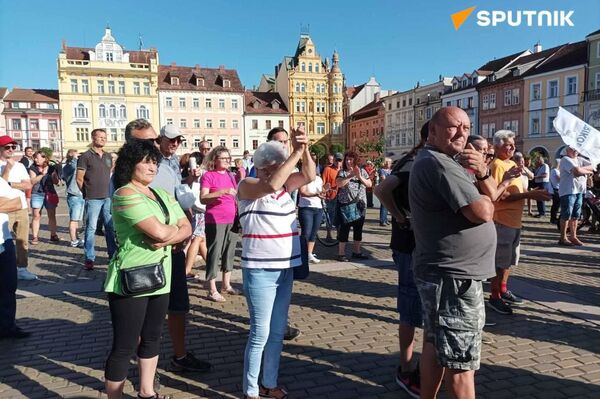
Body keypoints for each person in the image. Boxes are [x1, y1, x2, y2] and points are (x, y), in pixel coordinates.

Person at [409, 107, 496, 399]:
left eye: (467, 128)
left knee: (435, 345)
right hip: (453, 277)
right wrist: (483, 186)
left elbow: (491, 195)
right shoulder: (440, 164)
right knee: (461, 363)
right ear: (432, 131)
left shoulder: (444, 161)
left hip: (446, 273)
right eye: (453, 127)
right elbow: (483, 211)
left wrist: (483, 172)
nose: (462, 133)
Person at [104, 139, 191, 399]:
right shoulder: (124, 194)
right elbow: (159, 230)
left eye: (154, 161)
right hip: (131, 277)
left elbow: (186, 225)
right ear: (130, 165)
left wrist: (171, 235)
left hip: (160, 275)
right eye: (145, 161)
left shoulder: (161, 194)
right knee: (125, 346)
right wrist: (173, 233)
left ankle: (146, 392)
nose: (151, 166)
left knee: (153, 338)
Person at [237, 128, 315, 399]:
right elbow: (269, 185)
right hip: (259, 270)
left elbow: (309, 176)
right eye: (273, 168)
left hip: (285, 268)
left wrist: (303, 149)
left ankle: (269, 383)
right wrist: (293, 152)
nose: (277, 174)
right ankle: (250, 391)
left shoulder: (284, 189)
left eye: (279, 169)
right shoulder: (247, 185)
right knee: (260, 333)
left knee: (277, 331)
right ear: (262, 167)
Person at [144, 122, 212, 373]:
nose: (174, 144)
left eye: (178, 140)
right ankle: (145, 367)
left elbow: (174, 195)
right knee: (151, 309)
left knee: (179, 305)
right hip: (157, 245)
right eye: (170, 139)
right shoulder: (150, 166)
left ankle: (179, 356)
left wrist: (186, 182)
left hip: (174, 245)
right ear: (158, 140)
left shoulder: (172, 164)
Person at [374, 122, 430, 398]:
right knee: (410, 307)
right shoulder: (413, 162)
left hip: (418, 244)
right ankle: (406, 369)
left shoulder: (416, 159)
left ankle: (419, 366)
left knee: (420, 306)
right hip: (409, 244)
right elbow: (382, 189)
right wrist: (398, 216)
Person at [487, 130, 551, 315]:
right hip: (502, 220)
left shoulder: (512, 164)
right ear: (497, 146)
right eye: (508, 144)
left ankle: (503, 290)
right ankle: (494, 296)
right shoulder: (497, 165)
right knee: (499, 262)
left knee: (508, 261)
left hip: (514, 221)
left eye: (513, 144)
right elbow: (500, 195)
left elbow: (517, 189)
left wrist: (530, 191)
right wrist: (531, 194)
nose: (513, 147)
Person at [200, 145, 240, 302]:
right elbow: (203, 198)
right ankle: (212, 288)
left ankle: (226, 284)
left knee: (229, 252)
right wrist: (222, 192)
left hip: (232, 218)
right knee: (214, 253)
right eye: (223, 158)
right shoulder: (208, 176)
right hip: (215, 219)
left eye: (228, 158)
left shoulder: (231, 175)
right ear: (215, 159)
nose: (226, 161)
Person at [76, 128, 116, 270]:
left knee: (110, 228)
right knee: (91, 228)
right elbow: (79, 178)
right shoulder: (85, 156)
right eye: (100, 137)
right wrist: (86, 193)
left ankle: (113, 256)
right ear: (93, 138)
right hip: (92, 197)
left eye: (105, 137)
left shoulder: (107, 156)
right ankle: (89, 258)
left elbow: (109, 174)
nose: (103, 139)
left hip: (107, 197)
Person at [0, 176, 31, 339]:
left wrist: (5, 204)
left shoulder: (1, 182)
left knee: (9, 285)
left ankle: (7, 326)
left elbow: (18, 203)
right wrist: (3, 203)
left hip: (4, 241)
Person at [0, 135, 35, 280]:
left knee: (22, 239)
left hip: (20, 206)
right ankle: (4, 268)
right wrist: (7, 170)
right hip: (3, 207)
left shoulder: (20, 165)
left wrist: (11, 184)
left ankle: (22, 268)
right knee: (3, 241)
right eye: (7, 147)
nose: (11, 150)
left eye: (13, 147)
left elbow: (28, 184)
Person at [335, 151, 372, 261]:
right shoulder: (342, 172)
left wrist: (359, 176)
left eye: (350, 159)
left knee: (358, 229)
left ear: (355, 160)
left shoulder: (362, 171)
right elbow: (339, 184)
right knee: (344, 230)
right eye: (346, 160)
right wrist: (351, 175)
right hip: (346, 205)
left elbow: (369, 184)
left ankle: (357, 251)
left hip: (360, 206)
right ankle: (341, 254)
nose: (348, 162)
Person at [558, 146, 594, 246]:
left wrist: (583, 170)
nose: (575, 151)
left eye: (576, 149)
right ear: (567, 150)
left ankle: (573, 236)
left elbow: (593, 166)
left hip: (579, 190)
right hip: (568, 190)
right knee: (566, 214)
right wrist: (587, 171)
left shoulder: (579, 159)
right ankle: (563, 237)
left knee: (576, 215)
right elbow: (576, 172)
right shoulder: (565, 159)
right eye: (572, 149)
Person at [28, 150, 60, 243]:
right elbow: (32, 181)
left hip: (50, 193)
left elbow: (56, 182)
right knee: (36, 215)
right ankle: (35, 237)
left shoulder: (50, 167)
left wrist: (54, 175)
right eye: (35, 158)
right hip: (37, 193)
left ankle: (53, 235)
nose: (35, 160)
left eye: (37, 158)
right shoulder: (33, 167)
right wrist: (42, 174)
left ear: (44, 158)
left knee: (52, 215)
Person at [298, 171, 324, 264]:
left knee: (313, 233)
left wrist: (324, 193)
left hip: (318, 207)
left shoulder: (319, 179)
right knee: (306, 233)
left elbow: (321, 193)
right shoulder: (304, 178)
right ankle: (302, 254)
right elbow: (303, 192)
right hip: (306, 208)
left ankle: (309, 253)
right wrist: (316, 194)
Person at [62, 149, 85, 247]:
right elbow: (72, 166)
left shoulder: (76, 166)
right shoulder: (68, 166)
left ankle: (76, 238)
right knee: (74, 219)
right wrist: (74, 158)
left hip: (80, 194)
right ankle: (73, 240)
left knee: (77, 220)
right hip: (74, 195)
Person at [322, 153, 343, 240]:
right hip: (330, 197)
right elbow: (323, 183)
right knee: (330, 216)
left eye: (340, 161)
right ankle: (329, 234)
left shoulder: (343, 170)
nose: (338, 163)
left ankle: (339, 234)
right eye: (336, 160)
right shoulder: (328, 169)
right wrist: (324, 192)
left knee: (340, 216)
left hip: (342, 197)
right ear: (333, 160)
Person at [378, 158, 392, 226]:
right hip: (383, 189)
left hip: (389, 189)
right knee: (384, 205)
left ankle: (385, 219)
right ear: (386, 163)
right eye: (389, 163)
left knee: (388, 206)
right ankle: (382, 220)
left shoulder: (390, 170)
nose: (390, 164)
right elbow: (383, 179)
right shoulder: (382, 170)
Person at [549, 160, 561, 224]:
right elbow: (559, 179)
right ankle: (553, 219)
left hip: (556, 189)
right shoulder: (555, 171)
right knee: (556, 205)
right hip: (556, 189)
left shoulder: (553, 170)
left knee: (555, 205)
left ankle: (553, 218)